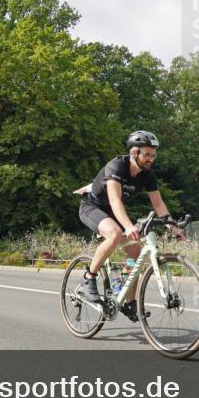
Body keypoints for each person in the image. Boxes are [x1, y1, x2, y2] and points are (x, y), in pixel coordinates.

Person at [76, 130, 184, 321]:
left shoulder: (147, 174)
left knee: (135, 249)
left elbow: (158, 204)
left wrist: (173, 226)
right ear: (134, 153)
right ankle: (89, 277)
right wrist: (128, 226)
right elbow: (115, 200)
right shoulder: (117, 166)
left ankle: (129, 303)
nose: (151, 158)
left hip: (112, 211)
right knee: (116, 233)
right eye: (147, 154)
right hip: (92, 207)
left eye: (153, 154)